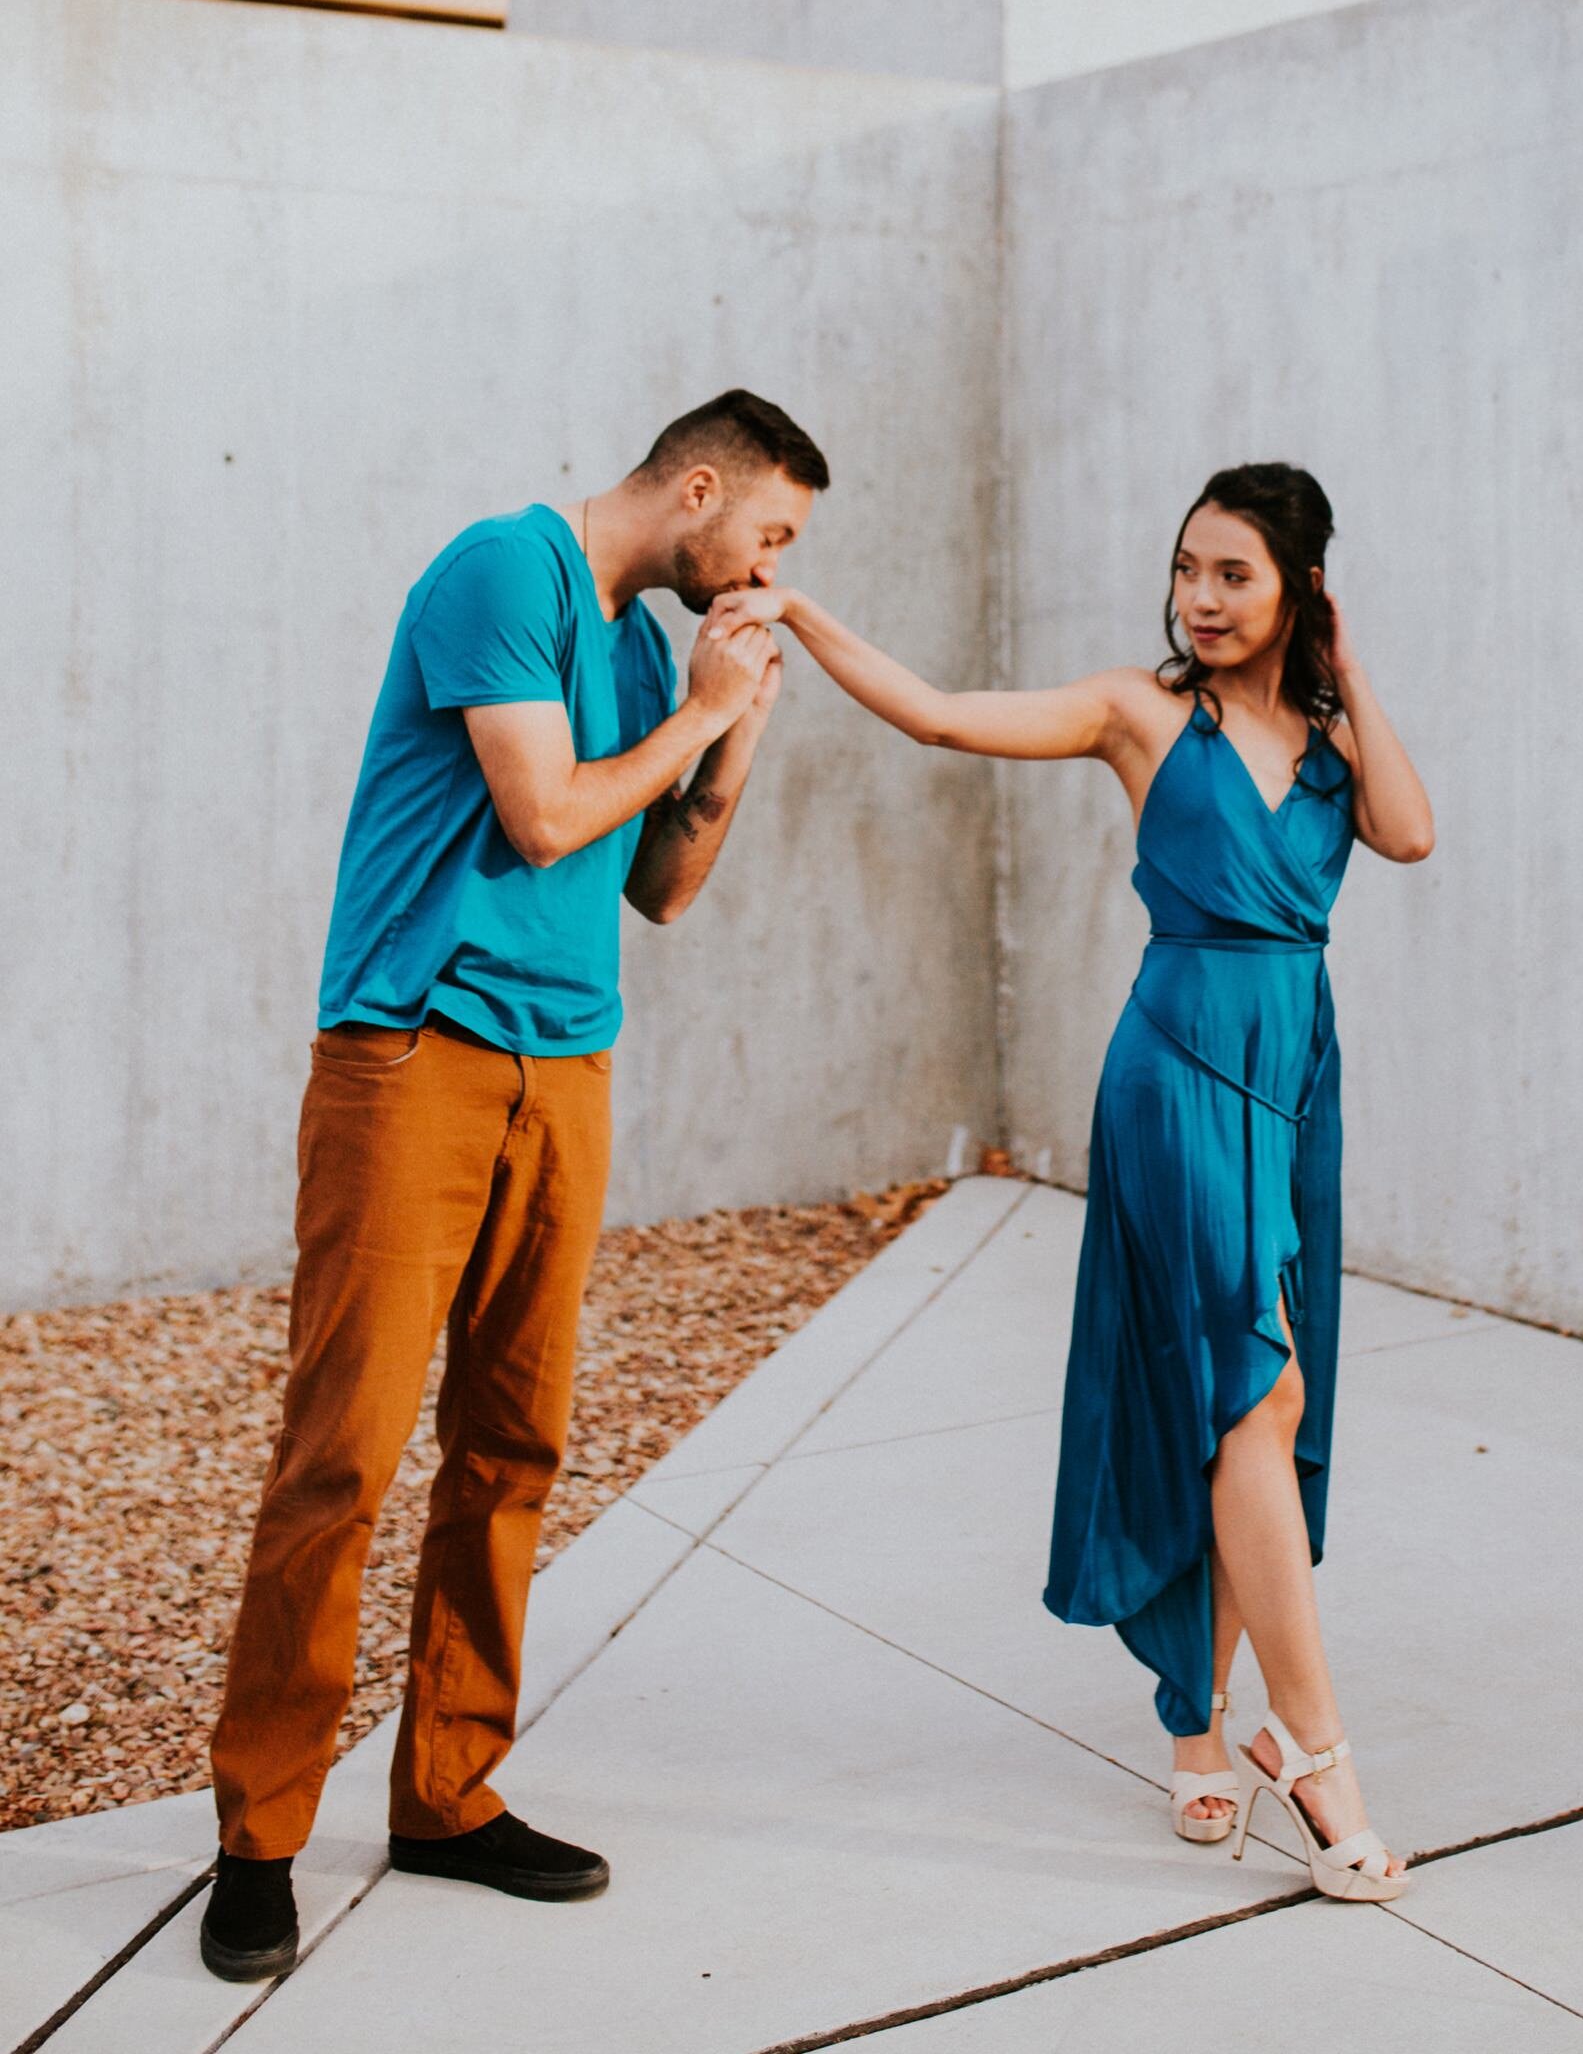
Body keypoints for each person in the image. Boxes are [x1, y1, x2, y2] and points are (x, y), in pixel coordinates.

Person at [720, 461, 1432, 1900]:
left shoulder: (1336, 746)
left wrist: (1353, 675)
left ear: (1299, 585)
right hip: (1176, 1069)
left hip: (1296, 1075)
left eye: (1234, 572)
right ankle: (1318, 1752)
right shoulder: (1139, 712)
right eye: (1187, 570)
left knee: (1241, 1409)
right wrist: (802, 614)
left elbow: (1411, 833)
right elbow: (936, 714)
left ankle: (1193, 1724)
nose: (1202, 598)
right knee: (1257, 1387)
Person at [200, 390, 827, 1982]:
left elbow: (666, 890)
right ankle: (261, 1834)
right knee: (343, 1448)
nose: (772, 565)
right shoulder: (506, 571)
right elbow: (544, 819)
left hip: (570, 1064)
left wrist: (734, 726)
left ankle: (446, 1794)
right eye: (770, 531)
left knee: (515, 1439)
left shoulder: (639, 653)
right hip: (414, 1053)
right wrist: (689, 718)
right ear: (698, 488)